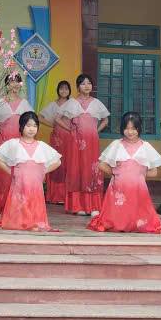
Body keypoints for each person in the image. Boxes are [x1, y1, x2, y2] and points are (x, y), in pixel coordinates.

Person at [0, 112, 62, 232]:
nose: (31, 129)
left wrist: (43, 171)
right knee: (20, 202)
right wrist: (10, 171)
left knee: (34, 203)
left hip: (35, 184)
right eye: (28, 125)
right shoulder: (14, 144)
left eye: (34, 126)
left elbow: (57, 162)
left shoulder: (41, 145)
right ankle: (20, 222)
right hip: (19, 183)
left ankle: (34, 222)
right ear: (21, 126)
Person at [88, 112, 161, 234]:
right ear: (122, 128)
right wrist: (116, 173)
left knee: (138, 213)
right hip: (118, 189)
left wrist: (139, 176)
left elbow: (154, 172)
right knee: (117, 214)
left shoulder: (146, 146)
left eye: (133, 128)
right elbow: (102, 165)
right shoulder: (116, 144)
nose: (130, 132)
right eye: (126, 128)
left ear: (139, 128)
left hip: (138, 189)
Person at [60, 73, 110, 216]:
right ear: (78, 87)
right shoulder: (72, 102)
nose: (87, 86)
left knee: (92, 170)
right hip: (75, 143)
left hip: (92, 142)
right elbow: (58, 118)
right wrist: (70, 130)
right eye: (83, 83)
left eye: (89, 83)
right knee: (77, 169)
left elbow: (105, 120)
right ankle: (78, 206)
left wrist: (96, 130)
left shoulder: (97, 103)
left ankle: (94, 206)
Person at [0, 73, 33, 214]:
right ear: (6, 85)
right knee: (1, 174)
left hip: (19, 144)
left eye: (17, 81)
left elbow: (29, 125)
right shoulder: (0, 103)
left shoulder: (24, 103)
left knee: (17, 174)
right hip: (2, 143)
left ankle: (15, 204)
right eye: (11, 81)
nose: (15, 84)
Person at [39, 80, 73, 205]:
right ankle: (55, 195)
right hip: (57, 138)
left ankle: (68, 196)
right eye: (61, 88)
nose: (64, 91)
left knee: (68, 164)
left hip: (70, 137)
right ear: (58, 90)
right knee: (56, 163)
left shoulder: (73, 103)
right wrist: (52, 124)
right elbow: (39, 117)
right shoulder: (53, 105)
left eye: (66, 88)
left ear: (69, 91)